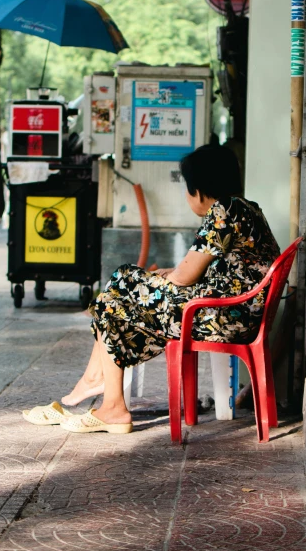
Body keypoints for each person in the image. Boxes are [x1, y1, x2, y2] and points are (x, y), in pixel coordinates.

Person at [22, 144, 280, 434]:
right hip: (233, 312)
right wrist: (158, 278)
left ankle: (107, 396)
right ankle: (102, 390)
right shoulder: (247, 208)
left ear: (200, 190)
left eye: (187, 187)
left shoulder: (224, 210)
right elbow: (196, 269)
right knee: (121, 292)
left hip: (225, 317)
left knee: (117, 289)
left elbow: (185, 276)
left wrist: (153, 280)